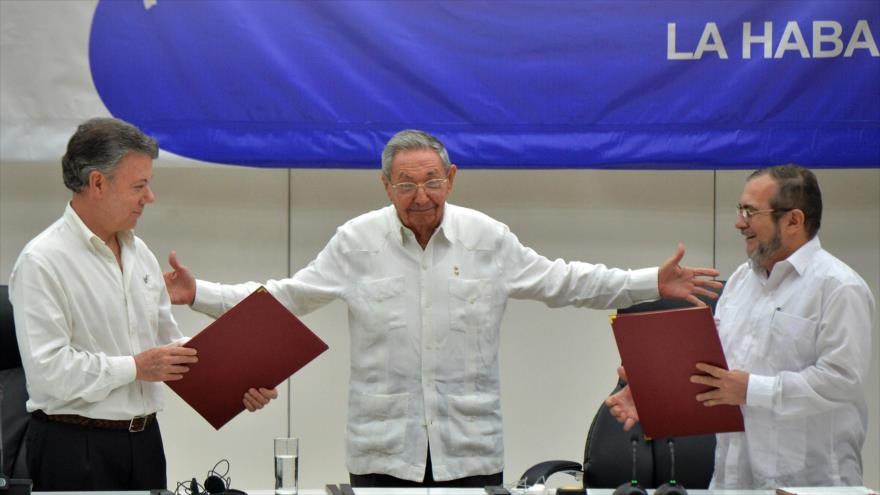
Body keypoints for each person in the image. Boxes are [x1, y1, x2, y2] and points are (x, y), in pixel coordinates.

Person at [164, 129, 721, 487]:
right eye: (406, 184)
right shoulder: (357, 242)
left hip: (471, 452)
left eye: (432, 181)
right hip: (383, 453)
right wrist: (199, 294)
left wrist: (649, 282)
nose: (421, 196)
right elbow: (287, 298)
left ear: (451, 179)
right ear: (386, 186)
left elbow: (565, 282)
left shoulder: (487, 238)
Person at [8, 117, 278, 491]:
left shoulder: (140, 254)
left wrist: (238, 383)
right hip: (73, 446)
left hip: (145, 442)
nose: (149, 197)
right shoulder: (42, 261)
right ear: (97, 183)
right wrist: (135, 367)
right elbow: (48, 373)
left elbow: (170, 350)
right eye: (139, 186)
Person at [606, 164, 875, 489]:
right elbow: (714, 369)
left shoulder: (839, 287)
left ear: (794, 220)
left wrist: (750, 390)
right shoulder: (740, 282)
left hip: (808, 483)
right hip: (732, 479)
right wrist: (654, 392)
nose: (739, 222)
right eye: (740, 210)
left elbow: (841, 380)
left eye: (751, 211)